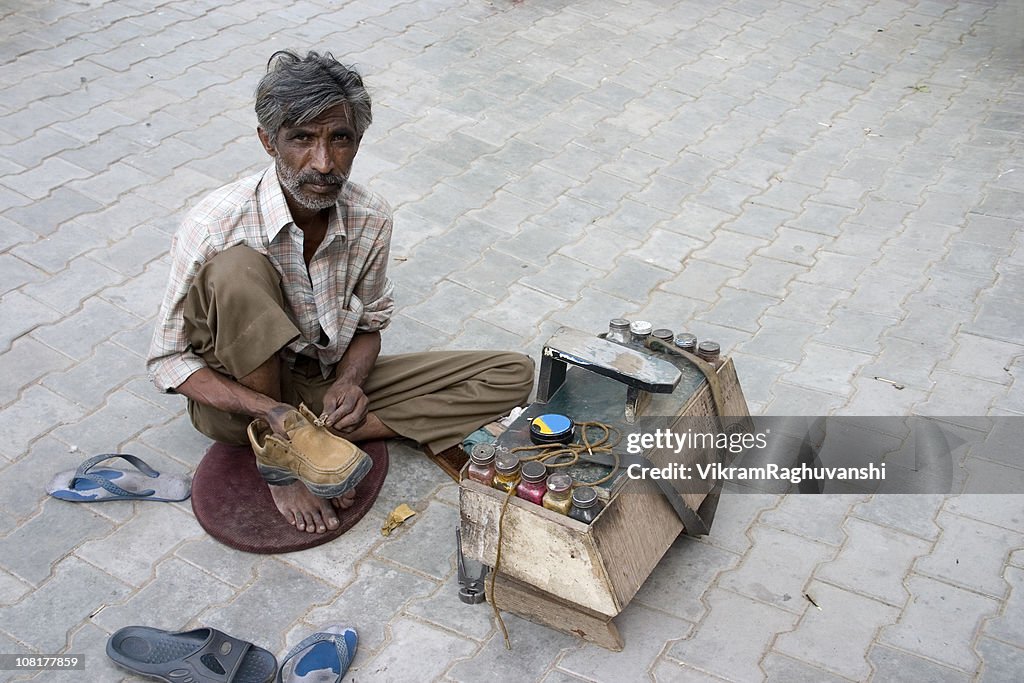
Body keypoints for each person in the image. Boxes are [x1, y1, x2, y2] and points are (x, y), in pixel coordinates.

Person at [147, 50, 534, 534]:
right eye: (302, 139)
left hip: (319, 384)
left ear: (359, 141)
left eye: (341, 139)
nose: (324, 162)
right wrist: (271, 412)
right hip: (243, 405)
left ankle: (323, 436)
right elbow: (167, 361)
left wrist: (350, 382)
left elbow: (370, 323)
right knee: (238, 270)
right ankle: (283, 458)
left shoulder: (371, 217)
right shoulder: (215, 224)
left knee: (512, 374)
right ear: (269, 142)